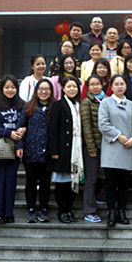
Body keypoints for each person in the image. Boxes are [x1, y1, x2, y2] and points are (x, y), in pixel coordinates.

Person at [0, 75, 26, 225]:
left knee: (10, 181)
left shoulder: (21, 105)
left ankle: (9, 212)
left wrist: (20, 143)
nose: (10, 90)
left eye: (13, 87)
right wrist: (8, 133)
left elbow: (23, 125)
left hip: (14, 148)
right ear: (2, 88)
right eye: (7, 87)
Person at [98, 74, 132, 227]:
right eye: (116, 84)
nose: (120, 87)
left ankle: (122, 211)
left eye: (122, 84)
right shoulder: (105, 103)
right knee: (111, 183)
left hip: (128, 147)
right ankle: (111, 212)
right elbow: (103, 124)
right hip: (112, 147)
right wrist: (119, 136)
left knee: (125, 184)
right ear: (111, 87)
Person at [16, 78, 54, 223]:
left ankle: (43, 209)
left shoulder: (54, 107)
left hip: (48, 150)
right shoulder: (29, 107)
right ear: (36, 91)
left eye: (47, 89)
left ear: (51, 91)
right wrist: (19, 146)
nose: (44, 92)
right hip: (31, 149)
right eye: (41, 89)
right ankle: (31, 209)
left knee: (45, 182)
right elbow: (20, 128)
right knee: (31, 181)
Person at [47, 76, 84, 224]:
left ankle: (69, 209)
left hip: (76, 151)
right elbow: (52, 130)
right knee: (62, 184)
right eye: (69, 86)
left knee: (73, 183)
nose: (72, 89)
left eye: (74, 86)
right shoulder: (58, 105)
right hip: (62, 150)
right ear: (63, 89)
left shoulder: (80, 104)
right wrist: (54, 151)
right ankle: (61, 210)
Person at [80, 75, 105, 224]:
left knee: (106, 176)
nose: (95, 87)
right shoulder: (86, 102)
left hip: (106, 146)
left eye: (98, 84)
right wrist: (91, 148)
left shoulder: (106, 100)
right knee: (91, 179)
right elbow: (86, 127)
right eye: (92, 85)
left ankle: (101, 198)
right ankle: (89, 211)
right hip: (93, 146)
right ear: (88, 87)